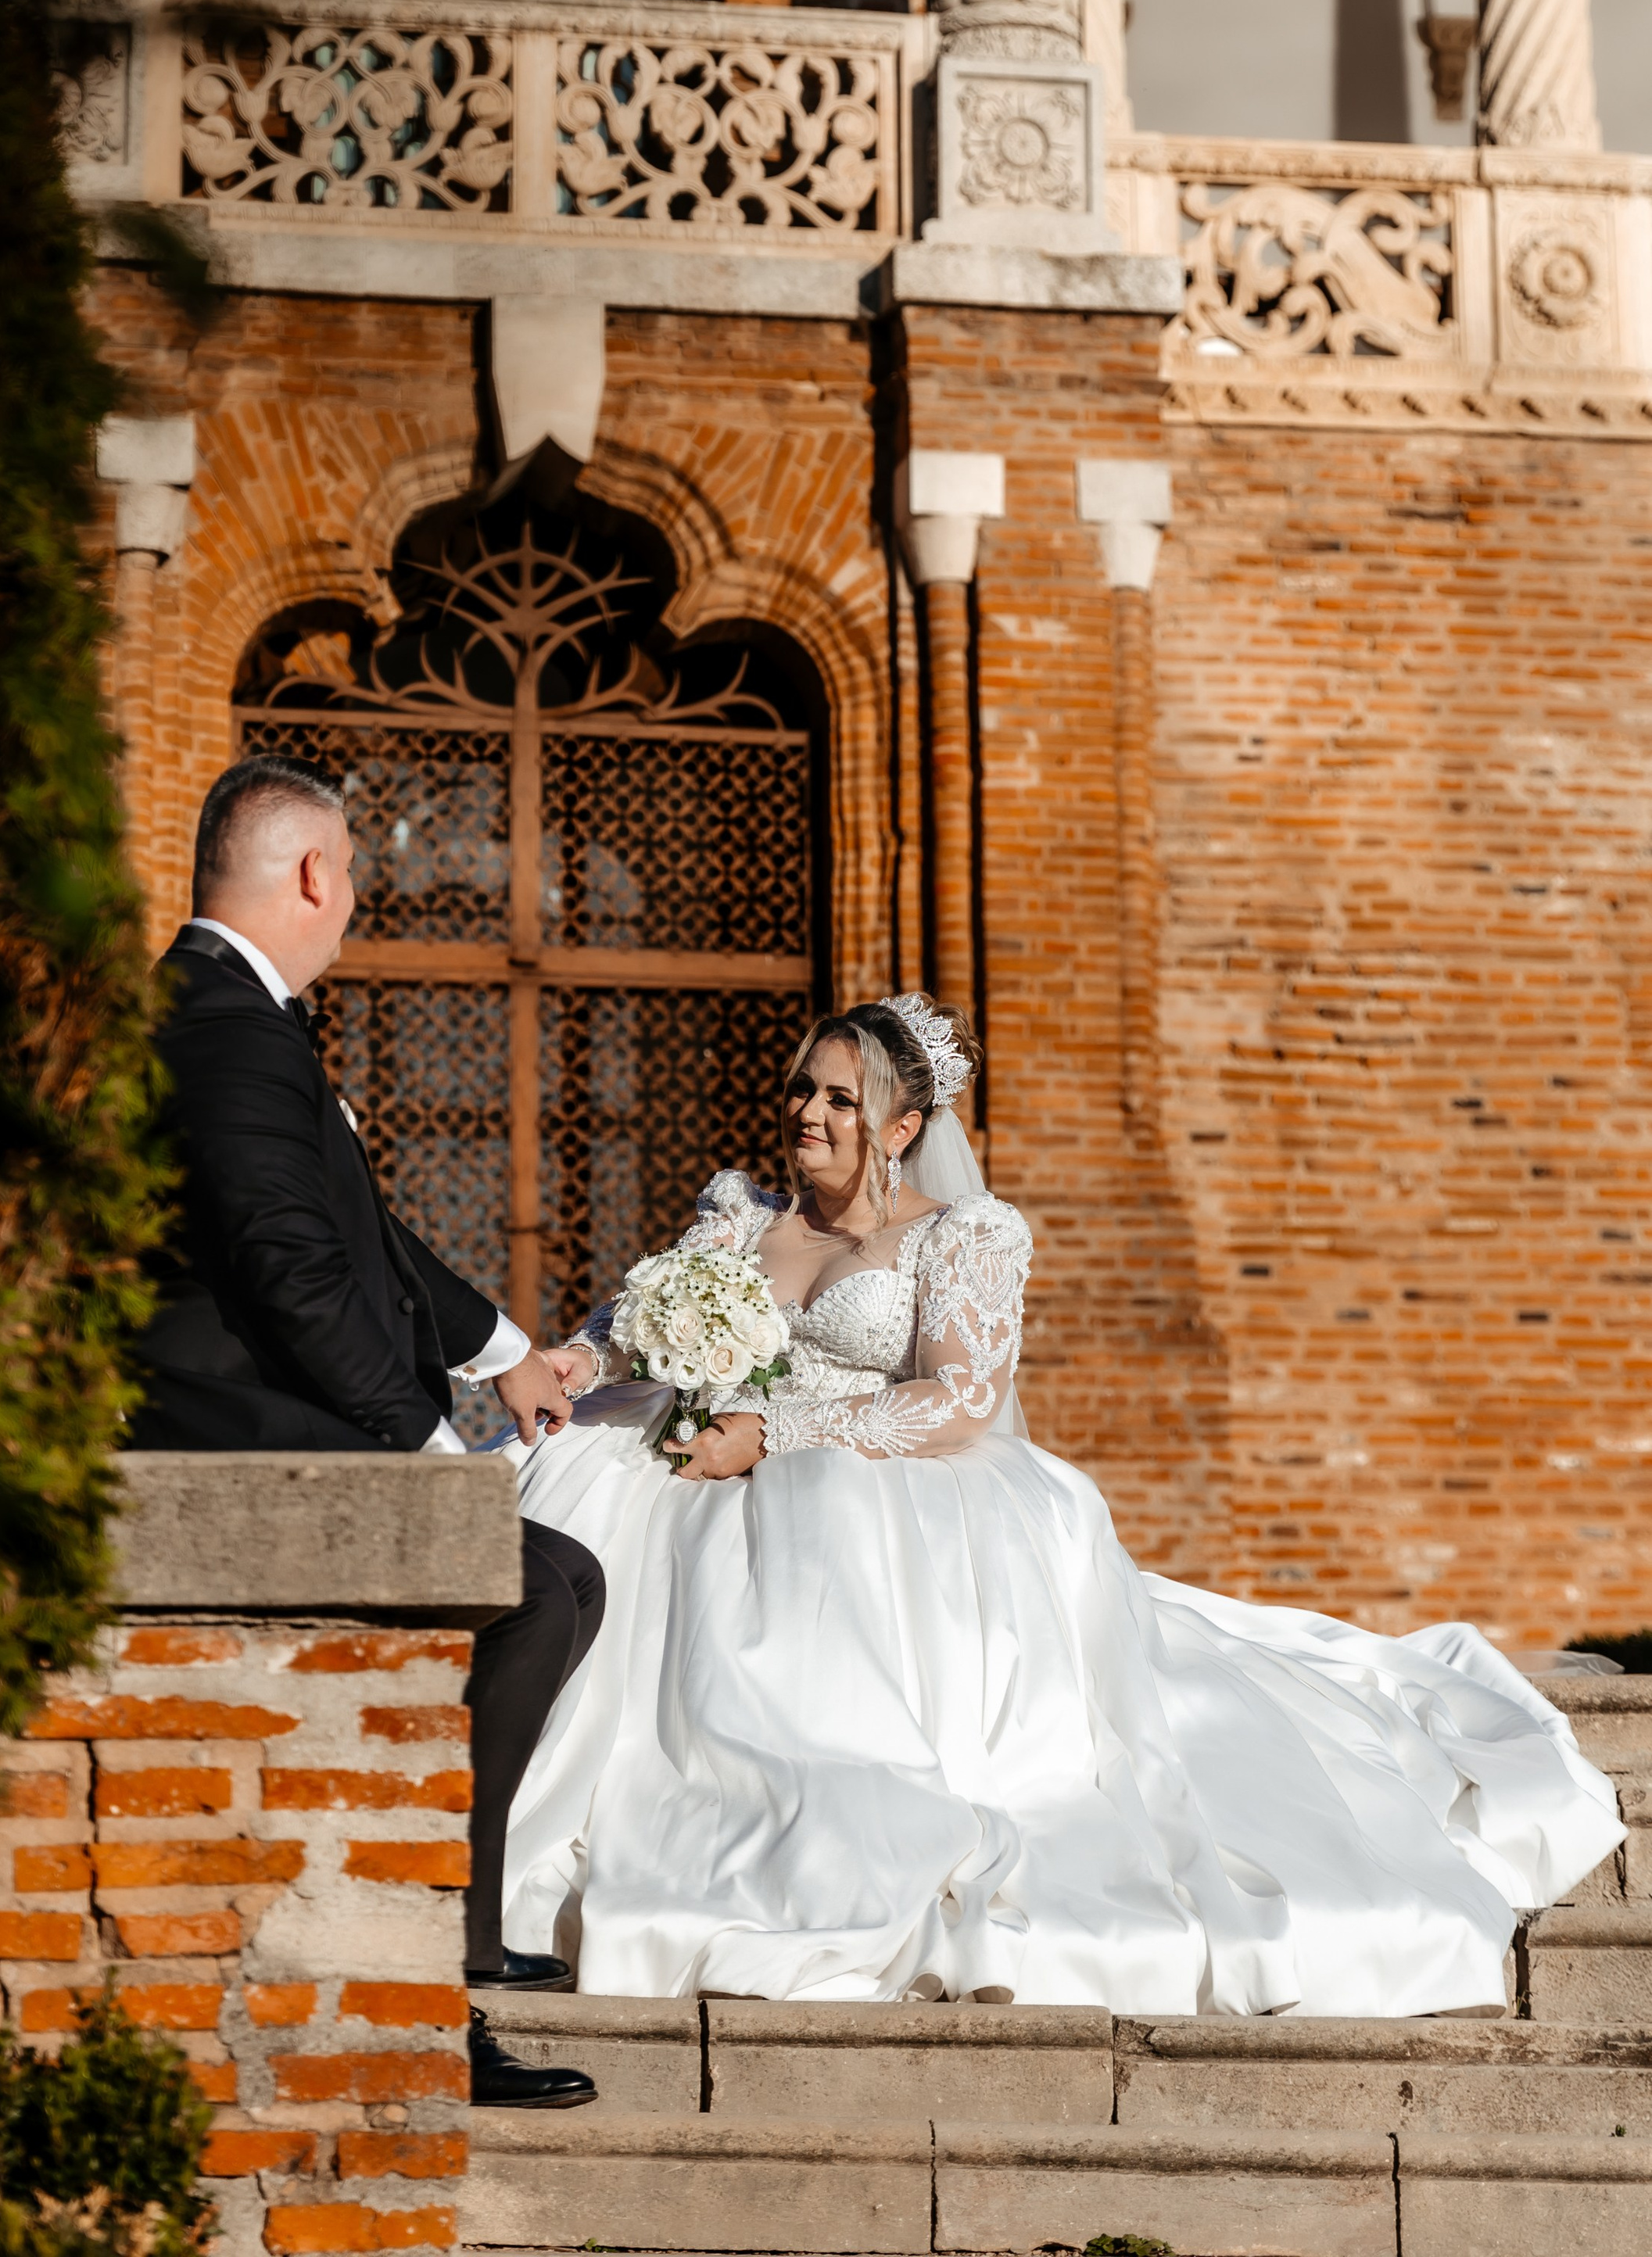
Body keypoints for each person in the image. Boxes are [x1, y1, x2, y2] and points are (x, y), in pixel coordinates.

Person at [497, 994, 1625, 2010]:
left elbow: (961, 1400)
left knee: (812, 1569)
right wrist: (579, 1368)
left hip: (858, 1478)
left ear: (901, 1127)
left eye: (843, 1097)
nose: (810, 1111)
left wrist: (778, 1434)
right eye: (805, 1086)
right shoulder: (740, 1214)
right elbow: (636, 1324)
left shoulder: (961, 1234)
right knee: (580, 1503)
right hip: (697, 1446)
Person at [132, 752, 603, 2105]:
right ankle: (427, 1994)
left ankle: (454, 1942)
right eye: (351, 881)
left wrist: (502, 1355)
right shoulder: (224, 1027)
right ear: (314, 875)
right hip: (218, 1425)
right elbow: (291, 1268)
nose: (353, 909)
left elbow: (363, 1233)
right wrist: (428, 1456)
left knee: (565, 1577)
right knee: (532, 1590)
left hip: (257, 1399)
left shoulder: (235, 1010)